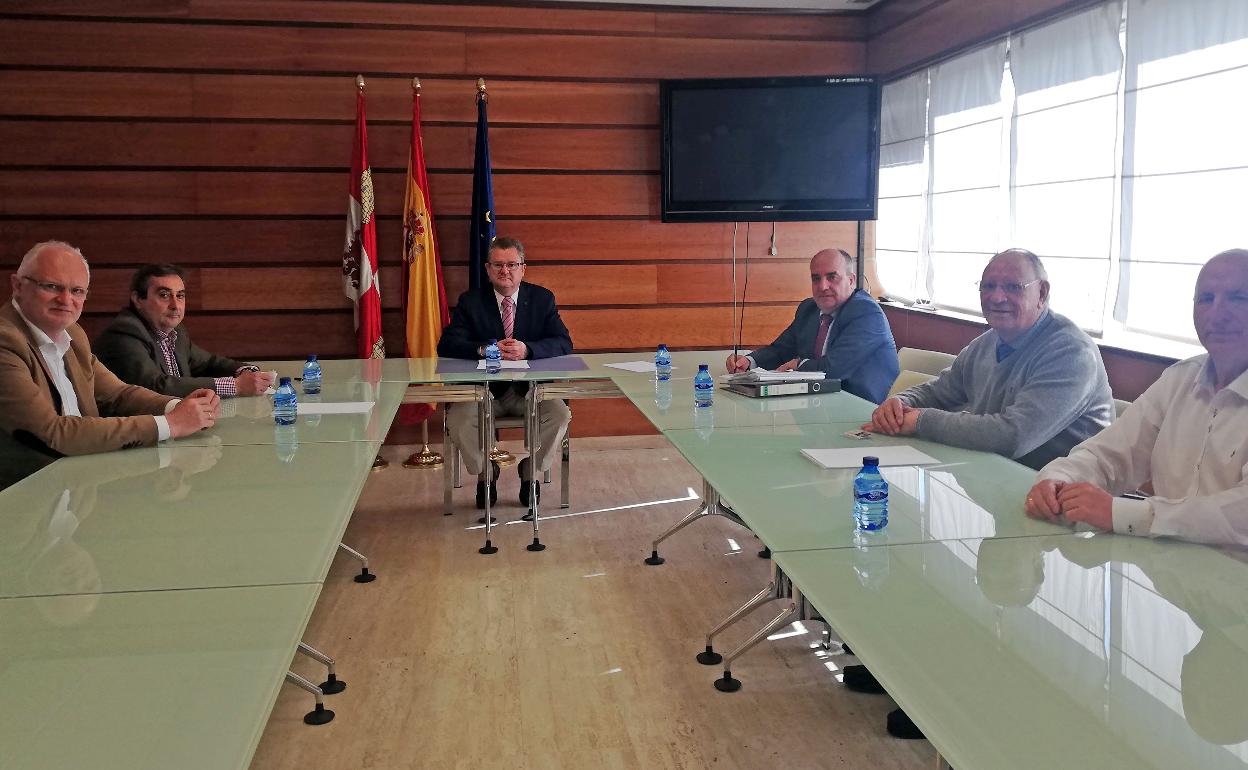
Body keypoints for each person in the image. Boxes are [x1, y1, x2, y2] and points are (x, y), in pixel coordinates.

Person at [1025, 248, 1248, 546]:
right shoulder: (1180, 379)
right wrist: (1057, 480)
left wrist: (1128, 515)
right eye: (1206, 299)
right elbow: (1110, 453)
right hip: (1169, 573)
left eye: (1239, 298)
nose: (1218, 314)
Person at [864, 248, 1113, 470]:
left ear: (1042, 293)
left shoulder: (1071, 352)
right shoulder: (988, 342)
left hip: (1064, 500)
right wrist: (899, 403)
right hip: (997, 475)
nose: (996, 297)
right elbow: (940, 392)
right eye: (988, 286)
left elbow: (1013, 436)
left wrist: (920, 421)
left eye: (1013, 287)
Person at [0, 241, 220, 484]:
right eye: (52, 287)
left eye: (77, 291)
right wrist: (170, 424)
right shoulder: (6, 341)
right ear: (18, 286)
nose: (66, 300)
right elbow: (52, 433)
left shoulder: (73, 333)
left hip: (82, 483)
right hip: (25, 498)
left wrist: (179, 407)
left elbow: (117, 394)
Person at [437, 237, 572, 509]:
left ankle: (529, 470)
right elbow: (447, 344)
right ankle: (486, 471)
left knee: (560, 414)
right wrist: (484, 348)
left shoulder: (542, 298)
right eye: (498, 264)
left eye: (512, 264)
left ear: (523, 268)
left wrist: (528, 350)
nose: (505, 271)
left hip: (531, 391)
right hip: (484, 392)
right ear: (487, 268)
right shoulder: (471, 301)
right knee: (458, 419)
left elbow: (563, 342)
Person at [725, 248, 899, 403]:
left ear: (851, 281)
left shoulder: (866, 313)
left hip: (864, 412)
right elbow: (780, 350)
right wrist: (749, 362)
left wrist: (798, 365)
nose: (823, 286)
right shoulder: (809, 309)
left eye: (832, 277)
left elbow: (833, 370)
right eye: (816, 279)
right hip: (818, 405)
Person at [93, 264, 273, 398]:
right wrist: (236, 386)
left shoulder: (176, 333)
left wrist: (244, 371)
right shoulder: (124, 334)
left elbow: (208, 363)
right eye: (164, 295)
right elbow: (155, 386)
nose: (175, 305)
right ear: (138, 299)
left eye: (180, 296)